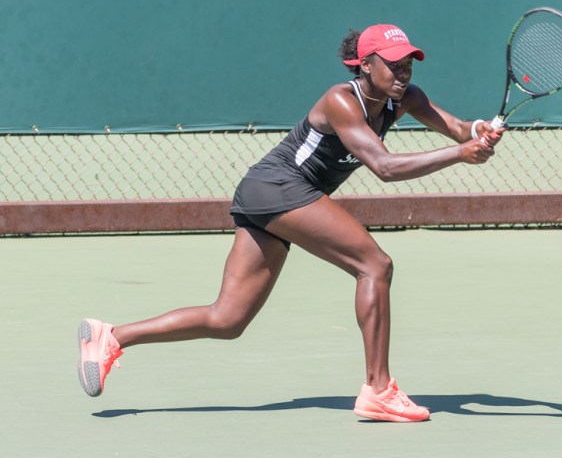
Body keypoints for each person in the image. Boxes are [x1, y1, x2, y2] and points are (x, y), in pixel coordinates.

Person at [77, 23, 504, 422]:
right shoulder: (341, 100)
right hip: (278, 187)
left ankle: (111, 337)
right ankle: (378, 389)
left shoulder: (404, 98)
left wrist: (476, 130)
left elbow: (457, 127)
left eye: (408, 62)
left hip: (272, 196)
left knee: (228, 320)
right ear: (365, 64)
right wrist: (459, 154)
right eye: (394, 63)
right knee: (374, 264)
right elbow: (385, 167)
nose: (404, 71)